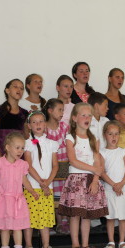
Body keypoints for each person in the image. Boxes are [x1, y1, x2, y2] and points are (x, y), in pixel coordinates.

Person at [58, 103, 108, 248]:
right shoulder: (70, 137)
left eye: (89, 115)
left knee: (87, 215)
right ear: (74, 118)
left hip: (91, 180)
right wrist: (94, 170)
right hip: (76, 180)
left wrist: (95, 180)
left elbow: (97, 160)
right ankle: (75, 244)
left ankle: (85, 244)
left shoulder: (94, 138)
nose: (87, 118)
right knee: (75, 215)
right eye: (83, 115)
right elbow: (73, 161)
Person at [22, 111, 61, 248]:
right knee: (30, 219)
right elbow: (28, 165)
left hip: (47, 187)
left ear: (45, 125)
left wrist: (47, 183)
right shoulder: (27, 144)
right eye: (34, 122)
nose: (38, 124)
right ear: (29, 126)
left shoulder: (52, 144)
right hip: (32, 187)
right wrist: (40, 182)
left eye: (40, 121)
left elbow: (55, 166)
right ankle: (29, 246)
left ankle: (45, 247)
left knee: (45, 219)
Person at [43, 99, 70, 234]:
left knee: (64, 194)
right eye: (59, 110)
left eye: (63, 110)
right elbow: (37, 143)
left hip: (64, 165)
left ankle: (65, 222)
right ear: (50, 110)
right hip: (50, 168)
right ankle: (57, 222)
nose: (61, 113)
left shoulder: (65, 127)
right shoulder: (43, 128)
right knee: (54, 195)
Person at [0, 79, 28, 158]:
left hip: (18, 156)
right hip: (2, 153)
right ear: (7, 90)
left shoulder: (24, 113)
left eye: (21, 88)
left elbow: (26, 136)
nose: (19, 90)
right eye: (15, 87)